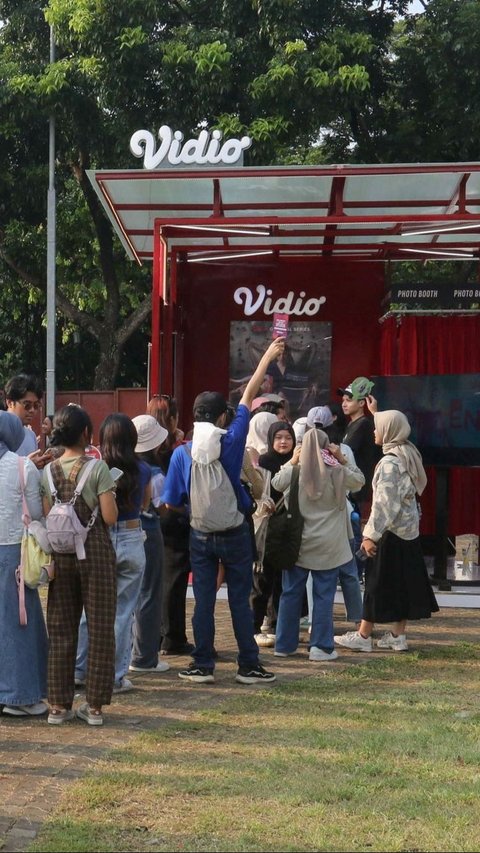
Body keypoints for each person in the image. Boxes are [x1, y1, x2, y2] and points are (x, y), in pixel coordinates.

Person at [162, 338, 286, 684]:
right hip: (234, 533)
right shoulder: (231, 443)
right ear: (221, 417)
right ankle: (248, 664)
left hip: (200, 535)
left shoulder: (181, 454)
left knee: (202, 600)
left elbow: (171, 501)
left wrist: (194, 511)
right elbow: (247, 396)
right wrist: (267, 357)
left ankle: (203, 663)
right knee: (238, 599)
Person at [334, 403, 439, 653]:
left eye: (378, 427)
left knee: (375, 583)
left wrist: (370, 535)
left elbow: (384, 505)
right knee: (402, 584)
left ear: (389, 431)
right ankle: (396, 635)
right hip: (408, 532)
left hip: (390, 534)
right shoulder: (408, 453)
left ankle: (363, 635)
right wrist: (375, 411)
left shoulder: (390, 463)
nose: (373, 431)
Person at [41, 405, 118, 726]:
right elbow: (110, 517)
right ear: (87, 434)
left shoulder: (47, 472)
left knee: (60, 628)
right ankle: (95, 707)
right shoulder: (97, 469)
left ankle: (58, 705)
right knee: (100, 628)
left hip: (61, 555)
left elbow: (47, 515)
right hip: (95, 552)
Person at [273, 427, 365, 661]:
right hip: (329, 545)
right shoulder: (337, 471)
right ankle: (321, 647)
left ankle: (284, 645)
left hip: (298, 543)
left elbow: (276, 483)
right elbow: (360, 481)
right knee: (324, 595)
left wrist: (292, 461)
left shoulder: (296, 471)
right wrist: (342, 458)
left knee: (291, 592)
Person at [75, 413, 150, 694]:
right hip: (131, 536)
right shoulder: (143, 469)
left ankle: (79, 670)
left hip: (100, 539)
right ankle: (114, 676)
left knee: (89, 609)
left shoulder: (95, 468)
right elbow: (145, 504)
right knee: (123, 612)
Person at [0, 411, 48, 717]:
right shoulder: (23, 466)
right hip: (14, 552)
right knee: (19, 623)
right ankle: (21, 695)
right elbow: (35, 512)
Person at [304, 405, 364, 629]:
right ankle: (358, 620)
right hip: (341, 516)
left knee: (312, 573)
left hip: (310, 519)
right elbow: (357, 481)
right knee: (348, 570)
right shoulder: (343, 450)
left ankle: (313, 620)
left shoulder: (302, 451)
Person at [148, 394, 194, 657]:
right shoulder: (174, 450)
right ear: (173, 418)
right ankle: (173, 636)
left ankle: (155, 635)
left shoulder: (142, 447)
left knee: (155, 582)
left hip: (151, 518)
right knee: (174, 582)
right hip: (174, 517)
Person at [129, 414, 170, 674]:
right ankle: (145, 657)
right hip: (150, 531)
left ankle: (131, 652)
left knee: (130, 595)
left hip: (126, 532)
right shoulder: (154, 474)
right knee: (151, 592)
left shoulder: (120, 467)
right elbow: (161, 508)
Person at [253, 419, 297, 646]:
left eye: (288, 438)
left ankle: (278, 623)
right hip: (268, 528)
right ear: (271, 440)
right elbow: (258, 492)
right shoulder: (264, 462)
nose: (283, 442)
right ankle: (255, 625)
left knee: (283, 581)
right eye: (279, 438)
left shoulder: (297, 463)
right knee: (262, 580)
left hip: (288, 529)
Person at [337, 376, 379, 579]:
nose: (344, 403)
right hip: (353, 489)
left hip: (357, 491)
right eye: (343, 399)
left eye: (349, 399)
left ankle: (354, 574)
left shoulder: (362, 425)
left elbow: (345, 454)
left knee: (354, 534)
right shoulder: (353, 425)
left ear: (362, 403)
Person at [4, 373, 52, 468]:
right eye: (27, 405)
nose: (32, 410)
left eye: (36, 406)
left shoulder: (31, 435)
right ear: (10, 403)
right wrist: (26, 465)